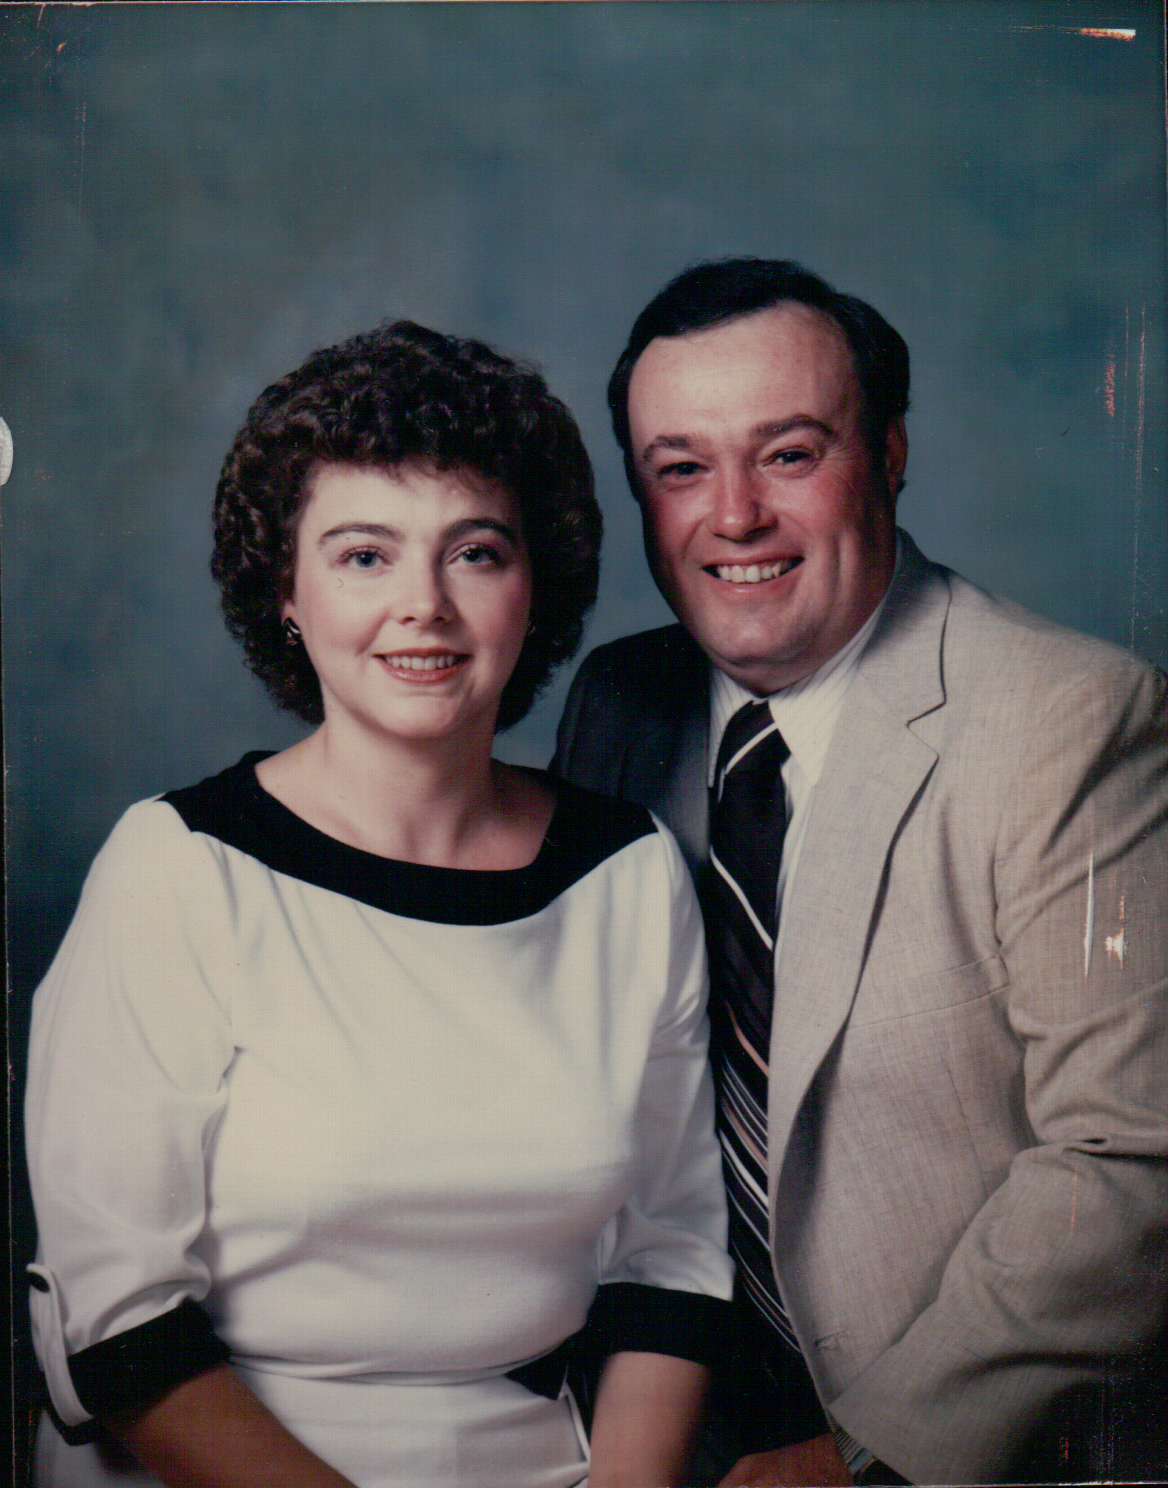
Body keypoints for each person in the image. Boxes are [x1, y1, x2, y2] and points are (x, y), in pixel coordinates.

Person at [25, 319, 735, 1488]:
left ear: (533, 589)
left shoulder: (627, 873)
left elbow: (671, 1259)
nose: (424, 606)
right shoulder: (181, 868)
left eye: (475, 553)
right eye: (364, 556)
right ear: (286, 593)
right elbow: (121, 1323)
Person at [553, 258, 1168, 1485]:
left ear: (889, 454)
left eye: (788, 454)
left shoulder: (1071, 719)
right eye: (681, 469)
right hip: (632, 1426)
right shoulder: (621, 704)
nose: (734, 516)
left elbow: (1127, 1161)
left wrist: (862, 1455)